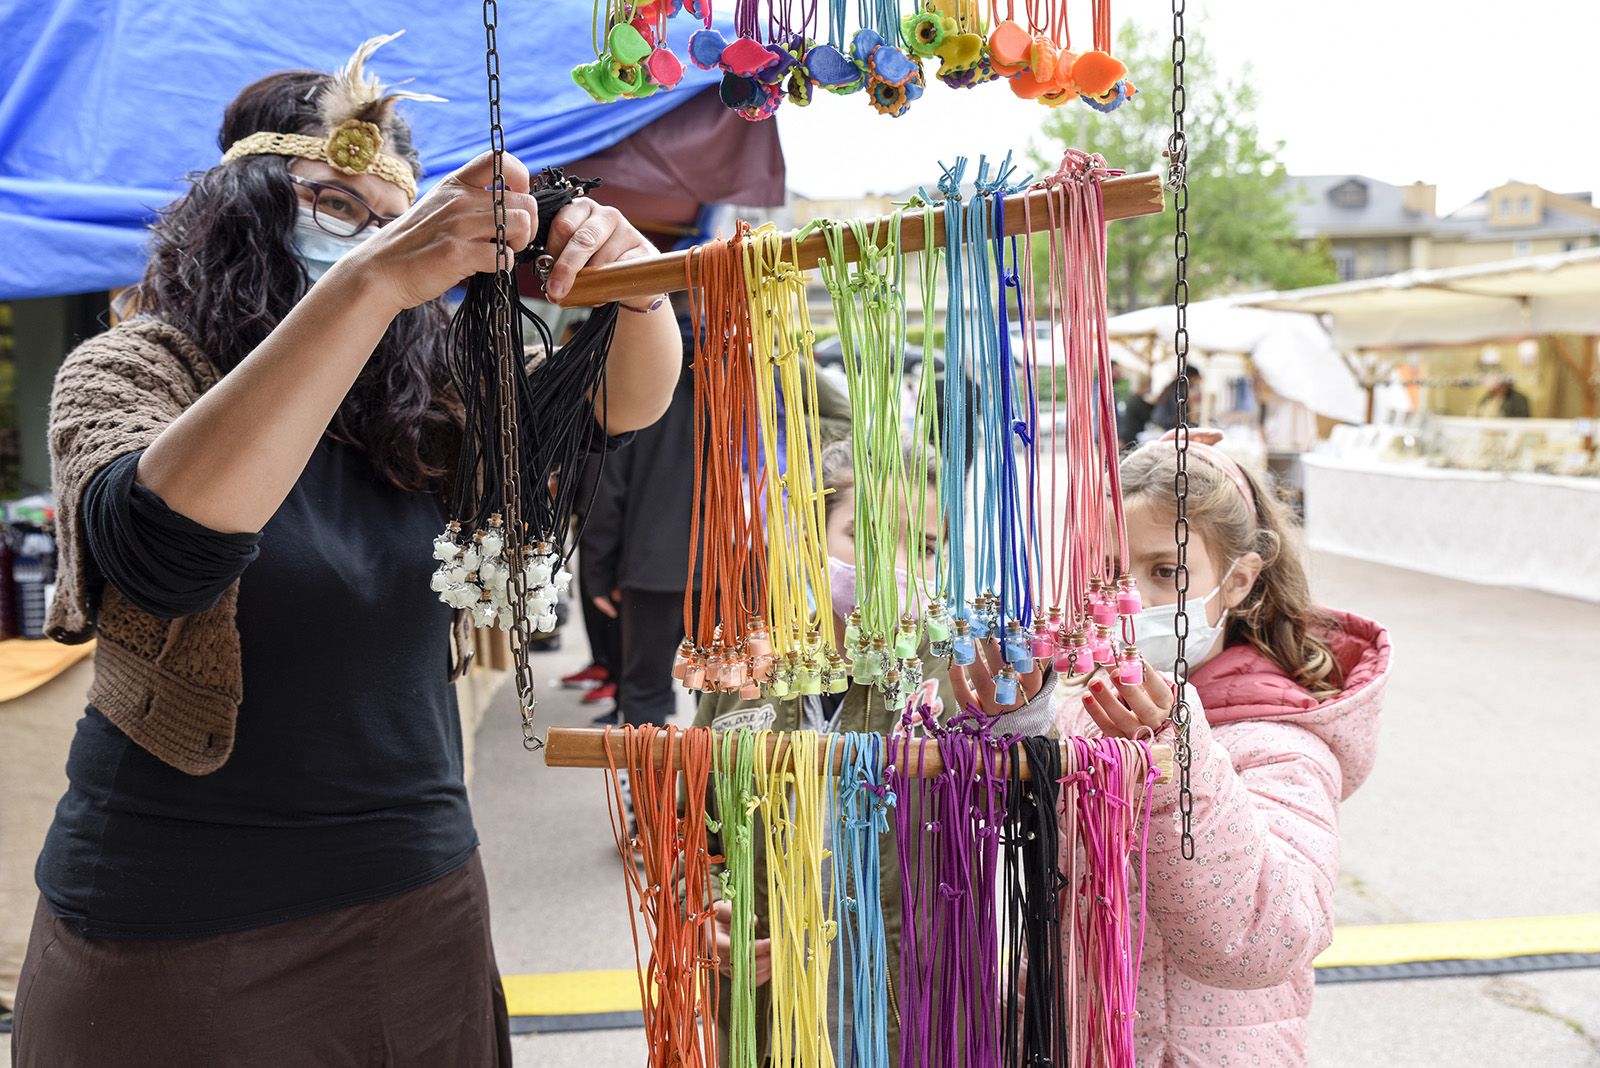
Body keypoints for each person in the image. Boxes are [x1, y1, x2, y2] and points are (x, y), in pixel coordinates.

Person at [12, 39, 680, 1066]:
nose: (364, 241)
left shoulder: (417, 395)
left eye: (387, 220)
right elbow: (164, 552)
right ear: (239, 208)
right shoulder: (130, 368)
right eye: (332, 204)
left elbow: (616, 408)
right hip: (180, 920)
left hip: (417, 894)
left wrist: (636, 288)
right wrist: (372, 282)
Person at [695, 437, 1060, 1060]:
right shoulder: (739, 673)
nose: (891, 564)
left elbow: (1029, 775)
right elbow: (692, 835)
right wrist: (704, 914)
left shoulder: (957, 677)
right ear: (806, 542)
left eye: (921, 547)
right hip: (767, 1015)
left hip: (914, 1010)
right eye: (862, 535)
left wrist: (1027, 701)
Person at [1069, 431, 1389, 1065]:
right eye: (1109, 574)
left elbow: (1264, 939)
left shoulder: (1277, 745)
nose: (1131, 603)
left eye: (1166, 572)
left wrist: (1175, 760)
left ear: (1239, 581)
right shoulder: (1085, 713)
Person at [1148, 363, 1203, 432]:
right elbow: (1178, 417)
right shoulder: (1179, 392)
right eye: (1195, 381)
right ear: (1191, 377)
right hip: (1163, 428)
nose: (1196, 385)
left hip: (1158, 426)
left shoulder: (1173, 387)